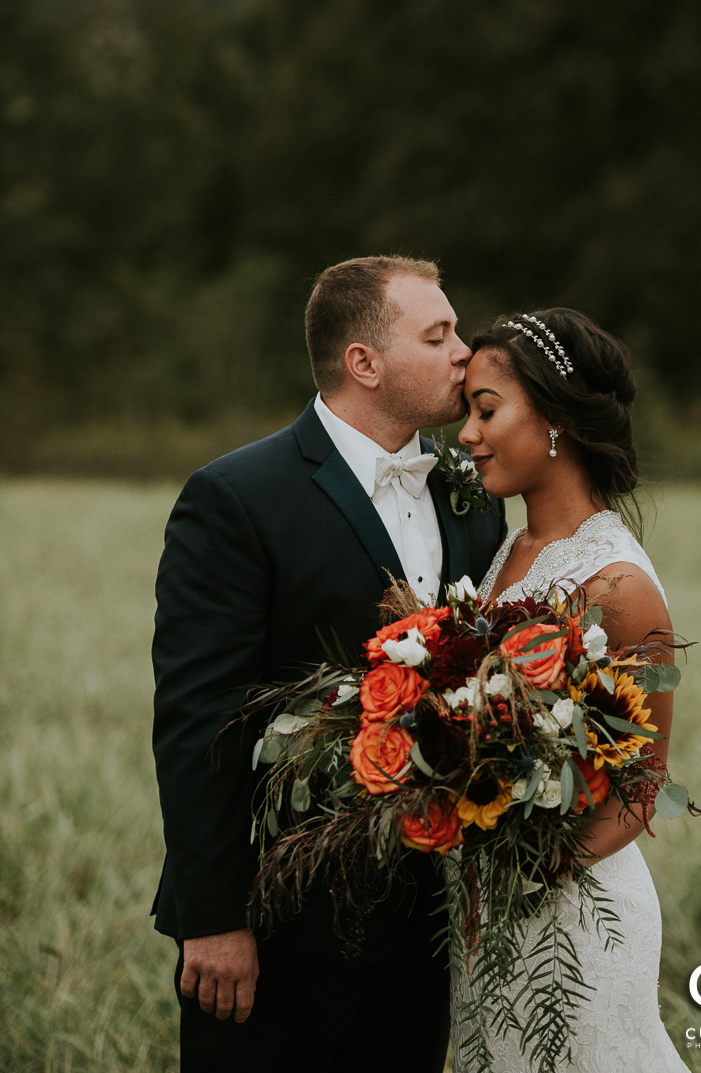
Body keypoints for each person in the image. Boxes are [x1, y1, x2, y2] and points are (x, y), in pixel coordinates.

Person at [151, 255, 506, 1073]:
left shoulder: (472, 493)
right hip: (280, 925)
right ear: (363, 363)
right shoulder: (236, 497)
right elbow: (200, 719)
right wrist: (213, 918)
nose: (465, 352)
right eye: (439, 334)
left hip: (425, 924)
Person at [450, 308, 688, 1072]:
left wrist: (527, 878)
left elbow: (644, 782)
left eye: (486, 410)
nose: (467, 435)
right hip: (482, 913)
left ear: (552, 417)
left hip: (576, 922)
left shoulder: (618, 585)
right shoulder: (506, 551)